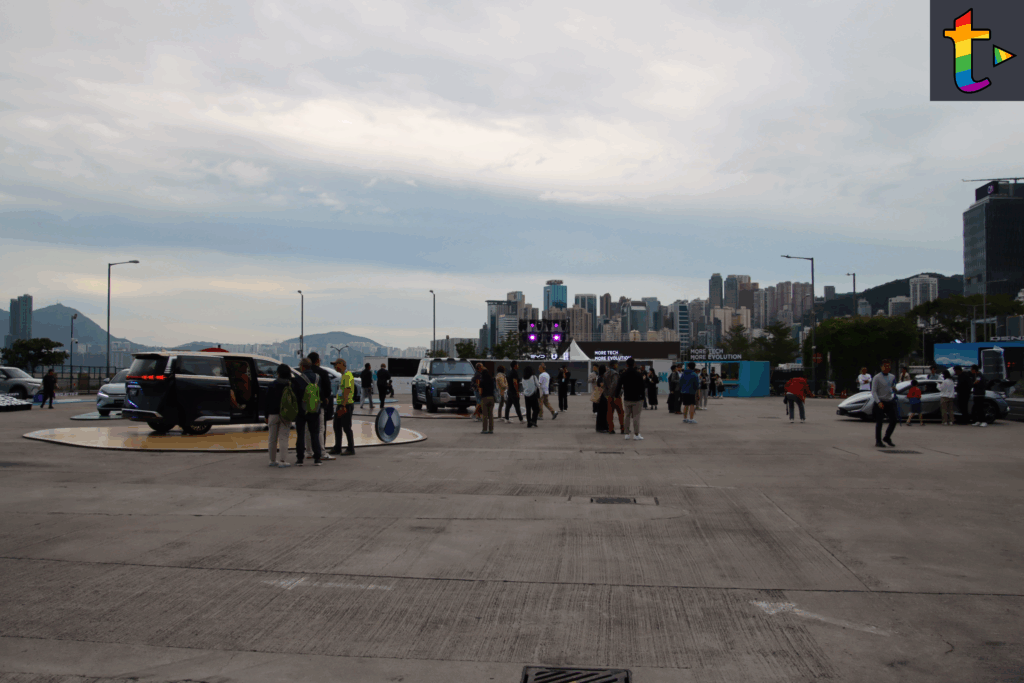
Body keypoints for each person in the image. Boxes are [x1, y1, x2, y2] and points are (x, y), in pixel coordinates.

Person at [292, 358, 323, 465]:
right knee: (315, 434)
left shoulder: (298, 378)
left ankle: (300, 459)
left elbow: (295, 395)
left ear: (302, 366)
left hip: (301, 410)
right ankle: (317, 458)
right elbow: (321, 393)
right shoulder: (318, 378)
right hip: (315, 409)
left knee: (300, 434)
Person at [264, 363, 293, 467]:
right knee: (283, 438)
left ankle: (272, 460)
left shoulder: (271, 385)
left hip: (272, 414)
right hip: (285, 415)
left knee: (272, 438)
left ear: (278, 373)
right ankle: (283, 461)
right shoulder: (290, 385)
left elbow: (266, 401)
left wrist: (266, 415)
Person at [308, 352, 336, 460]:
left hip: (306, 405)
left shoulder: (304, 373)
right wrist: (326, 398)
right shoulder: (322, 372)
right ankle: (321, 452)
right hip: (319, 404)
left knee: (308, 429)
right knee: (320, 428)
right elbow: (328, 389)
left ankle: (309, 452)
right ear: (317, 360)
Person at [871, 359, 898, 448]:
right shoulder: (877, 377)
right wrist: (878, 402)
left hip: (889, 401)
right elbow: (874, 391)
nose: (887, 368)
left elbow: (892, 386)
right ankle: (878, 441)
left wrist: (894, 389)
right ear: (881, 367)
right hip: (880, 402)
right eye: (885, 366)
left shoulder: (892, 376)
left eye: (888, 366)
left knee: (894, 420)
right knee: (879, 422)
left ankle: (887, 437)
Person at [332, 358, 356, 455]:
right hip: (342, 404)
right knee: (337, 426)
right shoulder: (343, 376)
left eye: (336, 364)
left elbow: (347, 390)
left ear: (342, 364)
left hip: (346, 405)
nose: (334, 367)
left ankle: (350, 448)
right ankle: (337, 447)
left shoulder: (347, 375)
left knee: (346, 427)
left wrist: (343, 405)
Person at [620, 357, 645, 440]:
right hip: (637, 399)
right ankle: (636, 434)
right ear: (634, 364)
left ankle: (627, 434)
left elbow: (619, 385)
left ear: (626, 365)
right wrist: (643, 397)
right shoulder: (638, 374)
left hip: (627, 398)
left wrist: (617, 395)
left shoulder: (624, 374)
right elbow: (642, 387)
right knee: (636, 417)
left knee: (627, 416)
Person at [603, 360, 624, 434]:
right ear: (614, 365)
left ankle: (611, 429)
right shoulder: (615, 373)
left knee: (610, 413)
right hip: (616, 396)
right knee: (620, 412)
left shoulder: (605, 373)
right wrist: (614, 394)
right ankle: (623, 428)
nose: (617, 365)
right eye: (616, 364)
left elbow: (604, 386)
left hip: (609, 396)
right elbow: (614, 384)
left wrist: (607, 395)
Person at [478, 365, 496, 434]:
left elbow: (480, 392)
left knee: (485, 415)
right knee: (490, 414)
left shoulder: (482, 381)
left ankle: (484, 429)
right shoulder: (492, 380)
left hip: (484, 398)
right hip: (491, 398)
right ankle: (491, 429)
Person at [594, 365, 609, 433]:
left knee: (603, 412)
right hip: (602, 397)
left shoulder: (602, 378)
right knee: (602, 412)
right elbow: (603, 386)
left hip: (603, 396)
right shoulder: (601, 378)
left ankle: (604, 426)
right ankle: (601, 427)